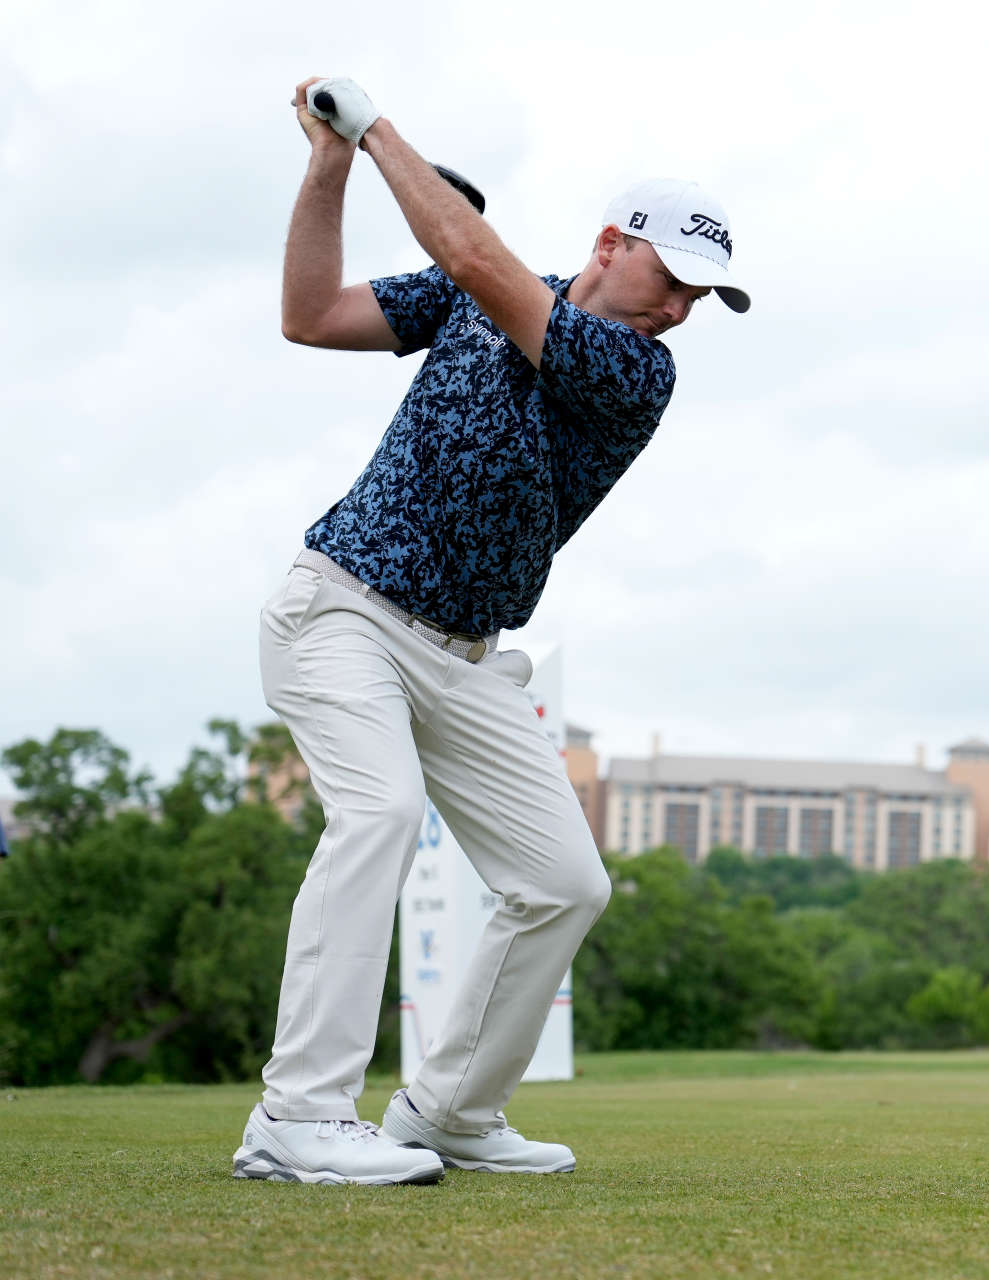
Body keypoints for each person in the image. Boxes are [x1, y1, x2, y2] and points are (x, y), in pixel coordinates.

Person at [232, 76, 748, 1186]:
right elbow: (311, 314)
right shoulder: (482, 289)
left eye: (703, 300)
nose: (678, 311)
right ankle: (296, 1115)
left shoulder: (635, 373)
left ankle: (450, 1107)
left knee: (567, 880)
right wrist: (328, 166)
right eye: (674, 280)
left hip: (465, 656)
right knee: (379, 813)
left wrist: (374, 130)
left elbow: (478, 264)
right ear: (612, 243)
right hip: (344, 609)